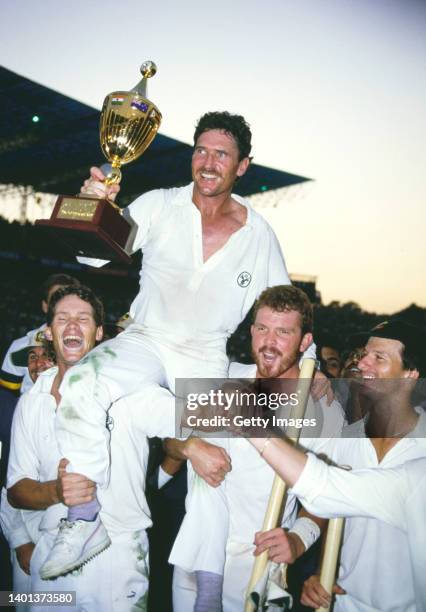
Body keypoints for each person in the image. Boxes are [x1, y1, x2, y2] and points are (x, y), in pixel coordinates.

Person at [42, 111, 309, 579]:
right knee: (83, 384)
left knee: (212, 465)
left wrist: (307, 364)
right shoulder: (158, 204)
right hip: (145, 337)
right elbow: (93, 255)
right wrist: (94, 209)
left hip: (205, 353)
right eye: (201, 150)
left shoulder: (259, 234)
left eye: (221, 154)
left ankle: (206, 591)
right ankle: (87, 521)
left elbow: (284, 309)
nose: (208, 162)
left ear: (242, 166)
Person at [169, 286, 345, 611]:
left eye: (283, 332)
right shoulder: (222, 376)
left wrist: (298, 538)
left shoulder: (324, 409)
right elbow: (168, 434)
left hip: (258, 559)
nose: (269, 342)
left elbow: (330, 491)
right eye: (262, 329)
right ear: (251, 331)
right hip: (195, 552)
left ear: (305, 342)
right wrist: (190, 447)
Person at [6, 285, 177, 611]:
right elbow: (16, 491)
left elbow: (199, 412)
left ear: (99, 333)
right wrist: (56, 491)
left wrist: (297, 392)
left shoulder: (130, 390)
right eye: (62, 319)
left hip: (117, 554)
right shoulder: (32, 401)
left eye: (83, 319)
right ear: (49, 331)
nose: (72, 326)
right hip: (53, 552)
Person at [251, 319, 426, 612]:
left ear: (409, 376)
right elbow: (327, 499)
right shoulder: (348, 435)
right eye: (363, 355)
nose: (362, 364)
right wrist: (309, 555)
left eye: (378, 358)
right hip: (344, 601)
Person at [0, 332, 54, 608]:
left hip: (75, 540)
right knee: (21, 604)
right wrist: (20, 540)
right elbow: (5, 482)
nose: (38, 362)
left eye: (46, 354)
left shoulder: (86, 400)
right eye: (32, 357)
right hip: (28, 538)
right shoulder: (14, 409)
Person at [0, 274, 79, 394]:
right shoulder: (20, 347)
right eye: (55, 299)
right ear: (45, 306)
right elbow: (7, 399)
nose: (62, 306)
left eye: (68, 300)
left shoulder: (92, 349)